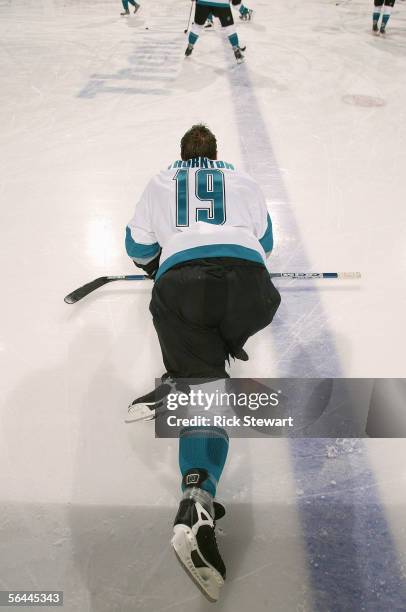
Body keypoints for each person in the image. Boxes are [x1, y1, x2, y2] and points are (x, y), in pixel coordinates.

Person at [124, 124, 281, 601]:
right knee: (212, 346)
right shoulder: (245, 181)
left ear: (181, 155)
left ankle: (196, 501)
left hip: (186, 287)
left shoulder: (159, 180)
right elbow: (266, 245)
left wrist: (162, 265)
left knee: (201, 386)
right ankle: (209, 361)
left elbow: (136, 250)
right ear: (216, 154)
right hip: (254, 293)